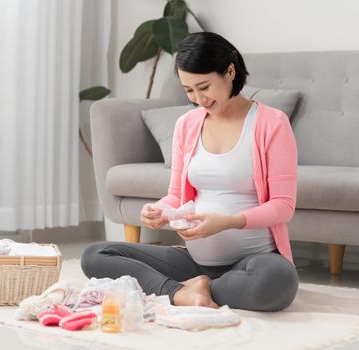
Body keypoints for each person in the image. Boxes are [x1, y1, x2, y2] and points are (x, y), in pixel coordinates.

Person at [81, 32, 299, 311]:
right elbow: (175, 195)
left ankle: (188, 289)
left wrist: (227, 222)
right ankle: (181, 293)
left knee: (276, 281)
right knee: (95, 254)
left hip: (253, 260)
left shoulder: (272, 123)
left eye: (204, 86)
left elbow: (283, 206)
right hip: (193, 261)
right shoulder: (187, 124)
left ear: (230, 71)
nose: (199, 98)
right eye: (189, 90)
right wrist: (158, 209)